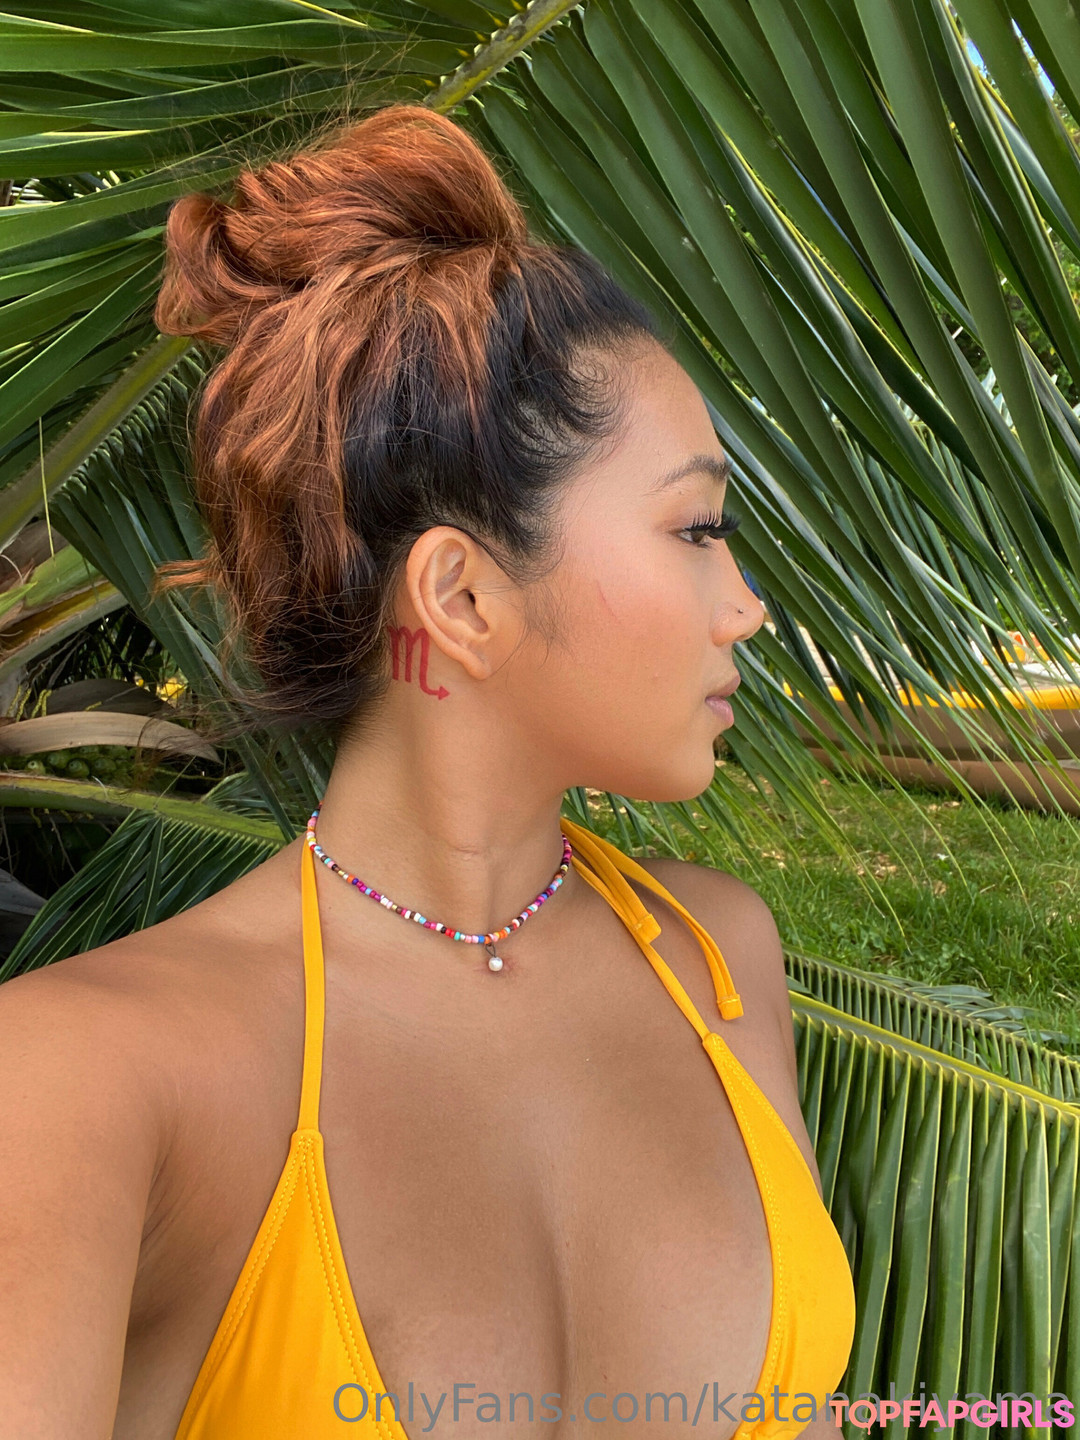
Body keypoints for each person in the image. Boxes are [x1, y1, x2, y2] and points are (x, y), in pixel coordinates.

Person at [0, 106, 855, 1440]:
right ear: (459, 596)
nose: (744, 605)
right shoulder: (81, 1080)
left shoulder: (719, 961)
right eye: (696, 528)